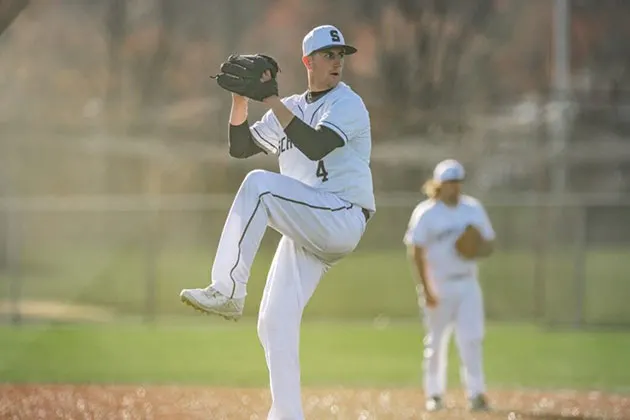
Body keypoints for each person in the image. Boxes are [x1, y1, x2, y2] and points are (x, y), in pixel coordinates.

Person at [180, 24, 375, 420]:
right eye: (328, 54)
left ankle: (228, 288)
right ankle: (287, 415)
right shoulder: (292, 105)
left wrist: (270, 99)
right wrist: (240, 100)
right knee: (273, 321)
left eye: (341, 54)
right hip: (309, 225)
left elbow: (316, 144)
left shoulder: (347, 103)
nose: (337, 61)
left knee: (261, 188)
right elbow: (240, 148)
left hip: (341, 214)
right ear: (308, 61)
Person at [403, 159, 495, 412]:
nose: (454, 187)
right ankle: (434, 394)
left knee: (472, 339)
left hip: (467, 283)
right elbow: (416, 252)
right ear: (438, 184)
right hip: (439, 284)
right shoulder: (426, 212)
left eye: (457, 182)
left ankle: (476, 394)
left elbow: (489, 244)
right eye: (449, 182)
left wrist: (476, 246)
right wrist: (425, 288)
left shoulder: (472, 209)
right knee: (435, 343)